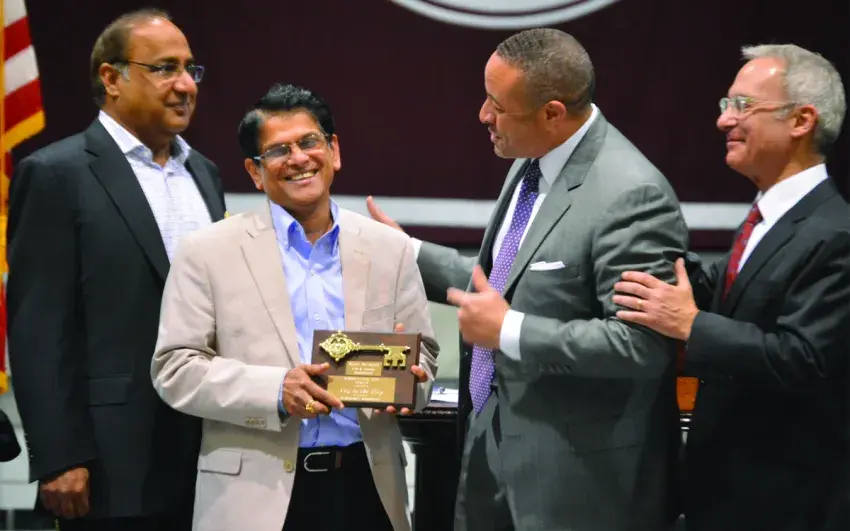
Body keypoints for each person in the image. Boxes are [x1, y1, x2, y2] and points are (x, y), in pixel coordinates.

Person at [367, 28, 687, 531]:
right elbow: (506, 283)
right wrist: (407, 253)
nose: (483, 115)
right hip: (488, 450)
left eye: (497, 105)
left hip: (575, 485)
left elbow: (641, 346)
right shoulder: (534, 157)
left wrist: (509, 331)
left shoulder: (632, 195)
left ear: (552, 113)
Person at [150, 83, 439, 531]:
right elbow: (175, 367)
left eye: (309, 142)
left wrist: (411, 385)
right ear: (255, 171)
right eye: (279, 150)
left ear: (334, 151)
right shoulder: (206, 251)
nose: (299, 158)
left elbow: (425, 354)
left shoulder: (390, 248)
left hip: (368, 488)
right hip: (253, 498)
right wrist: (276, 390)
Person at [613, 44, 850, 531]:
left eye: (743, 105)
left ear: (801, 120)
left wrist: (691, 325)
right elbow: (727, 296)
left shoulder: (836, 233)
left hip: (786, 504)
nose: (724, 120)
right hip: (722, 494)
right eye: (726, 105)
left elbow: (805, 359)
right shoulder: (767, 218)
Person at [6, 9, 225, 531]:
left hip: (209, 461)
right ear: (112, 77)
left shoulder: (205, 173)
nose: (185, 85)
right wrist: (59, 455)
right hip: (107, 468)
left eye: (190, 69)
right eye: (165, 68)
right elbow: (38, 329)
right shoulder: (55, 174)